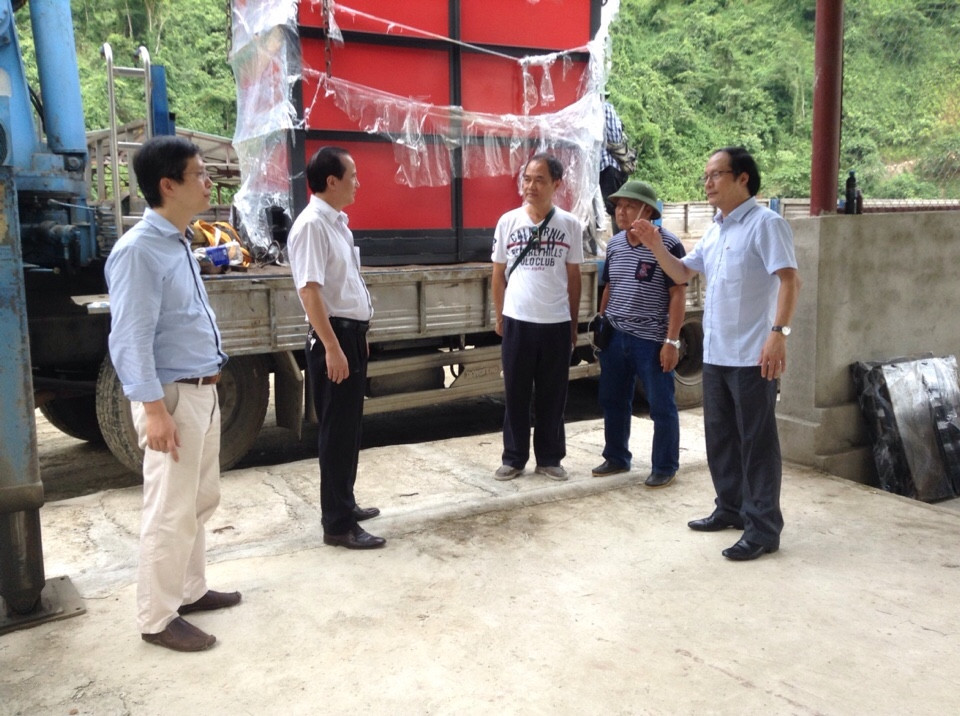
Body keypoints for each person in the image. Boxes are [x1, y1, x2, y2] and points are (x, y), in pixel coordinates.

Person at [631, 146, 800, 561]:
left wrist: (778, 334)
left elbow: (789, 281)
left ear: (743, 178)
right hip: (717, 352)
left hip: (753, 355)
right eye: (705, 176)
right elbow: (682, 271)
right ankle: (730, 508)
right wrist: (655, 245)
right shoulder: (716, 230)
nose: (707, 183)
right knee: (721, 437)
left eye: (716, 174)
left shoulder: (766, 225)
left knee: (756, 442)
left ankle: (763, 529)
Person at [105, 136, 240, 652]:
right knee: (169, 509)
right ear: (168, 185)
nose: (208, 183)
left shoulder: (179, 242)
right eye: (200, 174)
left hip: (200, 391)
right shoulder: (139, 251)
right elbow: (130, 339)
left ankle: (190, 589)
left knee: (199, 500)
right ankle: (157, 618)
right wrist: (154, 410)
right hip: (172, 398)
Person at [286, 146, 385, 550]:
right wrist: (332, 346)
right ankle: (338, 525)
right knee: (337, 433)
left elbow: (343, 285)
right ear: (332, 181)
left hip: (349, 336)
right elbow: (309, 291)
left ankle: (345, 503)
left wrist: (358, 337)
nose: (358, 183)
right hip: (334, 337)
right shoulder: (312, 225)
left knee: (350, 428)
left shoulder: (336, 223)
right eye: (353, 176)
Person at [491, 153, 583, 482]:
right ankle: (514, 458)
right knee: (515, 393)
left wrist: (573, 324)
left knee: (552, 395)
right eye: (527, 179)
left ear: (556, 184)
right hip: (518, 320)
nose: (531, 186)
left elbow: (574, 279)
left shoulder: (570, 225)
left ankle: (550, 458)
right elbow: (497, 274)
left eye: (539, 180)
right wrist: (500, 315)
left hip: (556, 322)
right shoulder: (508, 222)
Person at [592, 181, 685, 488]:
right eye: (618, 206)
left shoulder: (668, 245)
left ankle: (665, 465)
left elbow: (677, 294)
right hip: (615, 336)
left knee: (661, 405)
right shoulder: (615, 245)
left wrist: (671, 341)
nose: (621, 212)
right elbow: (610, 286)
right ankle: (616, 457)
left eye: (629, 206)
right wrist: (602, 323)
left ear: (648, 210)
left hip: (651, 339)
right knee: (613, 399)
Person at [599, 99, 630, 219]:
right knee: (615, 207)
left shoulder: (602, 108)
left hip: (606, 167)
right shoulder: (604, 108)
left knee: (615, 208)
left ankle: (621, 232)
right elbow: (615, 137)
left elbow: (614, 139)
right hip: (609, 167)